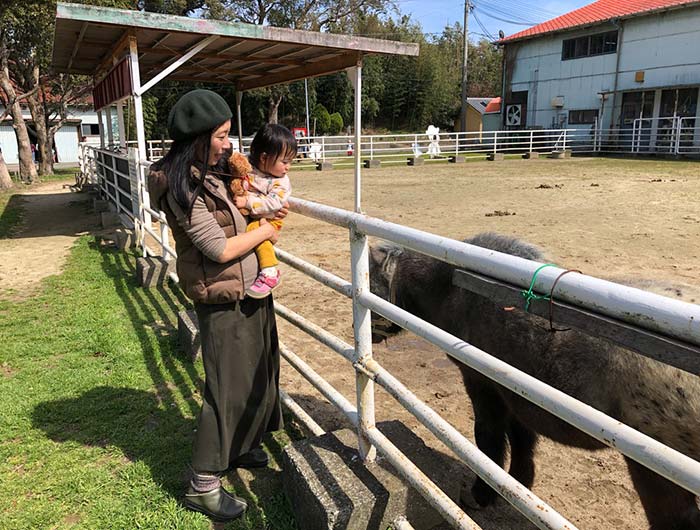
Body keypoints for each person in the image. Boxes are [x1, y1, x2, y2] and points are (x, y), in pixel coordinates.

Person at [147, 89, 285, 523]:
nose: (230, 144)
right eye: (222, 136)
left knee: (260, 369)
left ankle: (242, 445)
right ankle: (203, 484)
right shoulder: (183, 186)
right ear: (198, 139)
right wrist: (265, 233)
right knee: (226, 386)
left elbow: (255, 184)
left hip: (249, 289)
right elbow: (219, 249)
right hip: (223, 294)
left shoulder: (214, 170)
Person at [239, 123, 296, 299]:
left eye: (290, 162)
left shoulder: (281, 182)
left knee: (255, 232)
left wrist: (247, 201)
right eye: (284, 162)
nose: (288, 167)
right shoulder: (249, 166)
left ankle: (270, 271)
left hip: (269, 220)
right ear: (264, 158)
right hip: (254, 215)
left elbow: (274, 203)